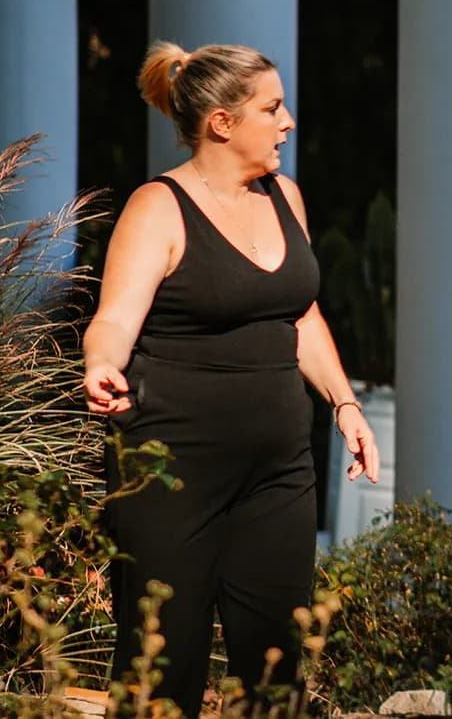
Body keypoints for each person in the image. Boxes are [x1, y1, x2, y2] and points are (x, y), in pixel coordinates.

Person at [83, 41, 379, 708]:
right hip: (171, 470)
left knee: (276, 664)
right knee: (164, 660)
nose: (288, 121)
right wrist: (101, 365)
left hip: (278, 471)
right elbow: (113, 320)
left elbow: (300, 317)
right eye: (272, 107)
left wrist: (344, 404)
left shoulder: (286, 198)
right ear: (222, 121)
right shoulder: (157, 207)